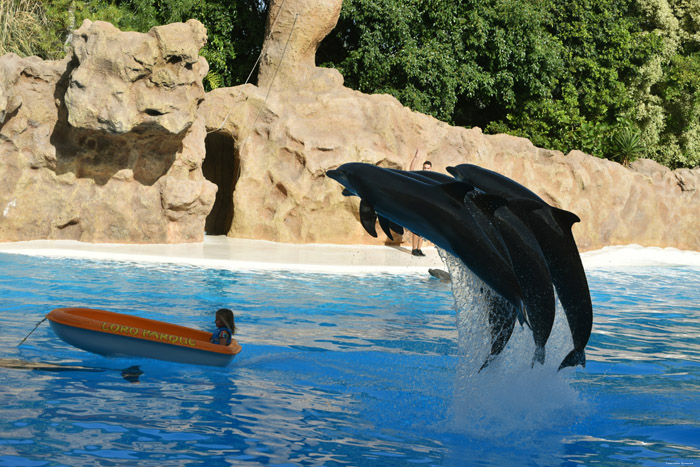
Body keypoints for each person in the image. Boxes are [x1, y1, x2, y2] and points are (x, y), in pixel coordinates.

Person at [409, 151, 432, 257]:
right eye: (424, 168)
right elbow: (411, 171)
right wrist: (415, 158)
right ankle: (414, 249)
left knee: (422, 228)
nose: (426, 170)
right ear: (422, 168)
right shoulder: (419, 176)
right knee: (415, 228)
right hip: (417, 205)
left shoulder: (431, 179)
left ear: (430, 169)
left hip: (426, 206)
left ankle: (419, 249)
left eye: (428, 168)